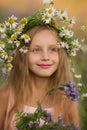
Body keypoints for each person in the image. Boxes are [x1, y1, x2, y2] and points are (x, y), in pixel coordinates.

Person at [0, 1, 80, 130]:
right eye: (36, 50)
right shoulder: (6, 97)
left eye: (53, 49)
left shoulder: (66, 100)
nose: (46, 57)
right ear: (23, 54)